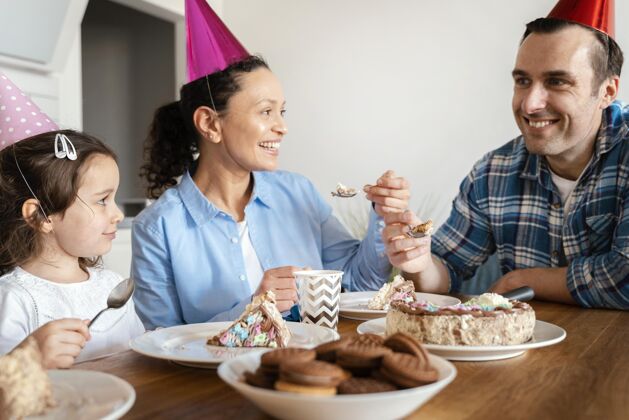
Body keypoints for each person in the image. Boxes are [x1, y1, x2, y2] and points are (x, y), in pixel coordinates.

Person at [131, 0, 410, 328]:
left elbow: (358, 284)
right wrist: (252, 309)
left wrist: (382, 216)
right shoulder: (157, 228)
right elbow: (162, 343)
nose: (282, 127)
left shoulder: (298, 192)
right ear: (209, 124)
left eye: (282, 111)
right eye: (266, 111)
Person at [383, 1, 629, 309]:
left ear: (607, 92)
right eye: (523, 81)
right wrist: (419, 261)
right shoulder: (493, 173)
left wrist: (520, 281)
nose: (529, 104)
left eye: (557, 82)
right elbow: (447, 272)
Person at [0, 129, 145, 368]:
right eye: (102, 200)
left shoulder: (111, 285)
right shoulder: (13, 299)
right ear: (40, 216)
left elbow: (140, 353)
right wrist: (29, 357)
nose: (118, 214)